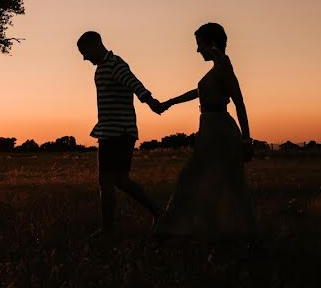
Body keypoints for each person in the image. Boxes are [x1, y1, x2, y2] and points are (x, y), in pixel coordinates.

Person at [152, 22, 256, 239]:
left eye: (199, 44)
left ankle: (175, 230)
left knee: (193, 179)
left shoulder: (224, 66)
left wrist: (247, 140)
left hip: (220, 131)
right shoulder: (216, 70)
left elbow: (239, 102)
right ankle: (213, 231)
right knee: (209, 181)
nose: (197, 50)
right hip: (210, 129)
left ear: (212, 44)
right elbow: (198, 91)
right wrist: (170, 102)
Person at [77, 30, 165, 239]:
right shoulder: (101, 69)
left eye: (84, 52)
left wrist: (151, 102)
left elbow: (135, 84)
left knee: (110, 181)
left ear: (95, 45)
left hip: (120, 131)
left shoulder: (115, 64)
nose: (84, 57)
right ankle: (157, 213)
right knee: (116, 181)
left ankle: (109, 230)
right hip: (108, 130)